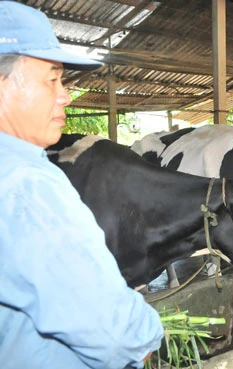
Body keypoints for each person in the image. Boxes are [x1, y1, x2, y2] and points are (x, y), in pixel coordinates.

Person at [0, 2, 164, 368]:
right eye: (52, 79)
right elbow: (112, 332)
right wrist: (148, 336)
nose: (65, 95)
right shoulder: (27, 185)